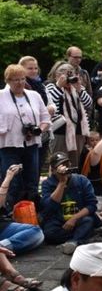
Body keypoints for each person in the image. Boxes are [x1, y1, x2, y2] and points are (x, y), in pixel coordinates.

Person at [0, 64, 51, 208]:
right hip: (9, 145)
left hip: (32, 144)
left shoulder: (34, 95)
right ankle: (10, 212)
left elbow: (45, 118)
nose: (20, 83)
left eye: (22, 79)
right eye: (15, 80)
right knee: (12, 182)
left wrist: (39, 130)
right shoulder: (1, 96)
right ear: (8, 81)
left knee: (32, 181)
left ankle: (32, 213)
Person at [41, 152, 101, 254]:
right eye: (61, 166)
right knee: (49, 233)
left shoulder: (81, 180)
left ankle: (74, 242)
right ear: (54, 170)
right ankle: (81, 237)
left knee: (88, 221)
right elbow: (49, 207)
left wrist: (74, 219)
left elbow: (91, 205)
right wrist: (62, 182)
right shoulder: (47, 184)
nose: (65, 168)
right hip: (59, 221)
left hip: (78, 218)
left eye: (67, 165)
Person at [47, 62, 93, 167]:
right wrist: (59, 86)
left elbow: (88, 104)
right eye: (65, 76)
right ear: (57, 76)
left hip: (78, 131)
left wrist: (79, 89)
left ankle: (72, 182)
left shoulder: (77, 88)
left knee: (74, 164)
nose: (68, 79)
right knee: (59, 163)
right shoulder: (51, 87)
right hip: (60, 132)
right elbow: (52, 106)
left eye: (70, 75)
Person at [0, 164, 44, 255]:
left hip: (3, 227)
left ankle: (2, 247)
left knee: (36, 232)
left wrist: (9, 176)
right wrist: (8, 178)